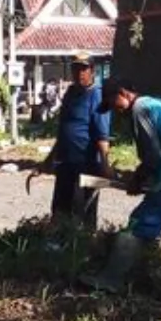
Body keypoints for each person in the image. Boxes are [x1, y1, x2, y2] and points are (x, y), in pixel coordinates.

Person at [82, 78, 161, 292]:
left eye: (113, 104)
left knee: (139, 223)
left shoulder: (140, 109)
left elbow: (153, 156)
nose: (115, 111)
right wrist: (146, 179)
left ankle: (112, 279)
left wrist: (137, 179)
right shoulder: (158, 104)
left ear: (123, 93)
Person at [37, 53, 111, 228]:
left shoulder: (98, 96)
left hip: (88, 163)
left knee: (85, 210)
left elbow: (102, 135)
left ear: (92, 71)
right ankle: (60, 245)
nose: (80, 73)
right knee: (61, 207)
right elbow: (64, 130)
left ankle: (85, 248)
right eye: (76, 68)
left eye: (84, 69)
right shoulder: (71, 93)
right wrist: (49, 160)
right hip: (66, 162)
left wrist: (106, 165)